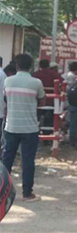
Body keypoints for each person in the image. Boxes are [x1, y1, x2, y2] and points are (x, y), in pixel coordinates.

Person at [2, 53, 45, 201]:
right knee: (28, 161)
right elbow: (42, 102)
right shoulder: (37, 83)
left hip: (11, 126)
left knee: (7, 160)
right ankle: (27, 193)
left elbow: (6, 99)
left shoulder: (8, 81)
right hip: (30, 128)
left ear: (17, 66)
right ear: (30, 66)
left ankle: (2, 193)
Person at [64, 62, 77, 148]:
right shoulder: (72, 76)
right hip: (72, 102)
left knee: (73, 122)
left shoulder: (68, 75)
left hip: (70, 101)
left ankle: (73, 140)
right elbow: (71, 88)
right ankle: (73, 141)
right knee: (74, 123)